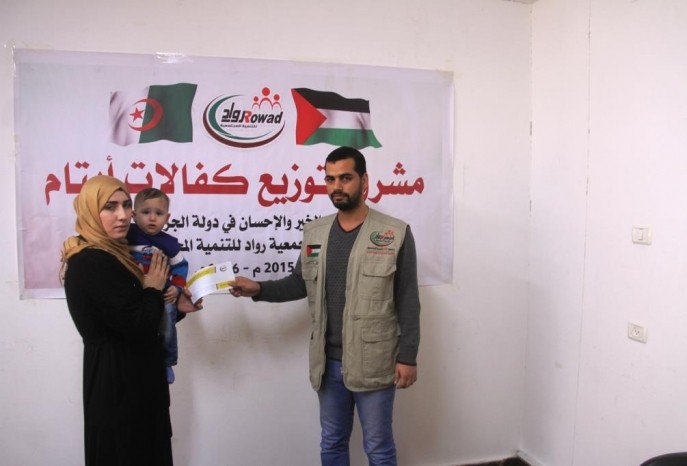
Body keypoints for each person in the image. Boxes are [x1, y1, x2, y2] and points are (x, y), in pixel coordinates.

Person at [230, 146, 421, 466]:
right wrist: (258, 289)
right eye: (330, 179)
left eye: (345, 178)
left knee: (378, 447)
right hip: (328, 363)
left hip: (374, 361)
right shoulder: (315, 233)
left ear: (364, 181)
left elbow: (407, 299)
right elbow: (300, 282)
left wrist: (408, 356)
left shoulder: (394, 233)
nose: (337, 186)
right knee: (332, 442)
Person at [60, 175, 201, 466]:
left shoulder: (119, 255)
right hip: (118, 386)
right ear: (90, 211)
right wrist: (153, 288)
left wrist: (176, 307)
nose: (123, 215)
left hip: (138, 381)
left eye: (126, 205)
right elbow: (137, 323)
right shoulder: (91, 262)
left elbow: (137, 315)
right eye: (110, 207)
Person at [127, 188, 188, 384]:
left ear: (167, 217)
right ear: (133, 215)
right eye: (146, 212)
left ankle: (167, 361)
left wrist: (176, 288)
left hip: (161, 292)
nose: (152, 218)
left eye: (159, 213)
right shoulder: (126, 233)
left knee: (168, 316)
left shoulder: (169, 243)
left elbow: (180, 268)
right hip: (133, 292)